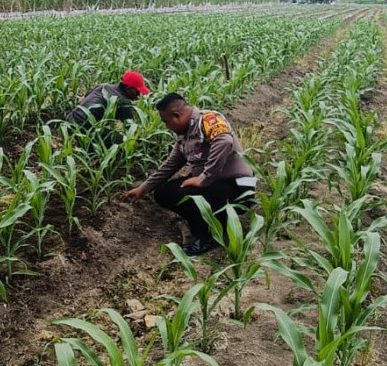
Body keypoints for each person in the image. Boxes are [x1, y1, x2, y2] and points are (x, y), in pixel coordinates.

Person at [124, 92, 255, 256]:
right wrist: (143, 189)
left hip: (236, 187)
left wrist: (203, 178)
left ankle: (207, 236)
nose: (166, 126)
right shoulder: (183, 136)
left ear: (177, 115)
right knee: (164, 193)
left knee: (189, 195)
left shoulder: (207, 120)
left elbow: (224, 141)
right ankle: (214, 220)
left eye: (166, 121)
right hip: (215, 187)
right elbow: (170, 165)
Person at [65, 70, 150, 132]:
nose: (138, 95)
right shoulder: (123, 101)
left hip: (68, 121)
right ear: (129, 89)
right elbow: (132, 129)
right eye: (137, 91)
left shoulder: (103, 86)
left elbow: (81, 100)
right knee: (120, 141)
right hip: (82, 129)